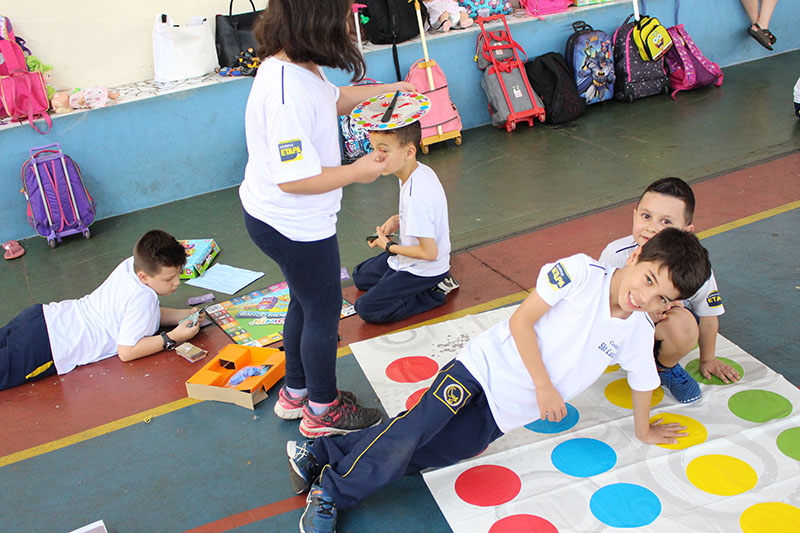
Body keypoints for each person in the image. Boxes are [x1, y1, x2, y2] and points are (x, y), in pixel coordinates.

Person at [287, 228, 712, 533]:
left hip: (503, 413)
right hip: (480, 369)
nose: (645, 297)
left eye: (661, 298)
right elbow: (522, 321)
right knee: (411, 434)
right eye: (649, 279)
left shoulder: (637, 328)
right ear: (635, 257)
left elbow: (643, 379)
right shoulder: (581, 273)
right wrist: (544, 386)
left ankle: (320, 452)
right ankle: (331, 492)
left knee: (425, 450)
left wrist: (644, 428)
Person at [239, 0, 416, 438]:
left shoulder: (295, 65)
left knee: (304, 301)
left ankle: (295, 393)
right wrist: (359, 171)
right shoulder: (285, 96)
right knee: (322, 310)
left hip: (277, 215)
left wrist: (392, 90)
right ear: (316, 24)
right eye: (342, 20)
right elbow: (294, 180)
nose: (349, 28)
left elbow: (334, 99)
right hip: (293, 224)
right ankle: (322, 410)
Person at [0, 229, 201, 391]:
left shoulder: (131, 266)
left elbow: (141, 314)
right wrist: (172, 337)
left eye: (178, 274)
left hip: (42, 317)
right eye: (169, 278)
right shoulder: (144, 298)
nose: (176, 282)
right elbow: (127, 351)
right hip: (46, 347)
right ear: (144, 277)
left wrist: (184, 315)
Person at [599, 177, 740, 404]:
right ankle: (625, 359)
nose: (652, 228)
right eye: (646, 216)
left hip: (661, 331)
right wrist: (642, 315)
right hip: (622, 329)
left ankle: (664, 368)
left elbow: (708, 318)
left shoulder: (693, 266)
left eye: (666, 221)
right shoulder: (615, 254)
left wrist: (708, 359)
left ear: (687, 231)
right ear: (634, 215)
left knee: (683, 325)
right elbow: (598, 305)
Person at [352, 118, 458, 324]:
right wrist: (398, 219)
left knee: (366, 308)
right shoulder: (418, 171)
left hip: (424, 269)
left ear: (409, 152)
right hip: (411, 258)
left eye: (384, 150)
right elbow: (427, 214)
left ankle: (435, 292)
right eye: (374, 149)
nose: (376, 157)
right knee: (360, 276)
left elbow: (429, 253)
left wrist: (388, 246)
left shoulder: (415, 195)